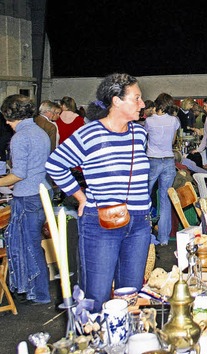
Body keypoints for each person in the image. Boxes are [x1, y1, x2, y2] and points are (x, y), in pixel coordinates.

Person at [46, 73, 150, 312]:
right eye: (137, 98)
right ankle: (96, 344)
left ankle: (125, 345)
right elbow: (55, 165)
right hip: (101, 222)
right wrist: (80, 197)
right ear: (116, 101)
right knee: (97, 296)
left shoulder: (140, 134)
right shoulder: (90, 134)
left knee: (131, 294)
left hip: (139, 223)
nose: (142, 104)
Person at [0, 94, 52, 304]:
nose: (6, 122)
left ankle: (39, 294)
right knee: (33, 243)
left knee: (27, 245)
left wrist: (2, 181)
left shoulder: (20, 137)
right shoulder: (40, 132)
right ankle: (36, 290)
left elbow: (19, 173)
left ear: (14, 115)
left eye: (8, 118)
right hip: (41, 192)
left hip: (28, 196)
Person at [145, 93, 180, 246]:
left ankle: (145, 234)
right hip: (168, 159)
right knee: (165, 199)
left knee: (144, 196)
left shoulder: (149, 121)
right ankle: (164, 239)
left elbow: (146, 139)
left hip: (152, 159)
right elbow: (173, 140)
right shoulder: (174, 121)